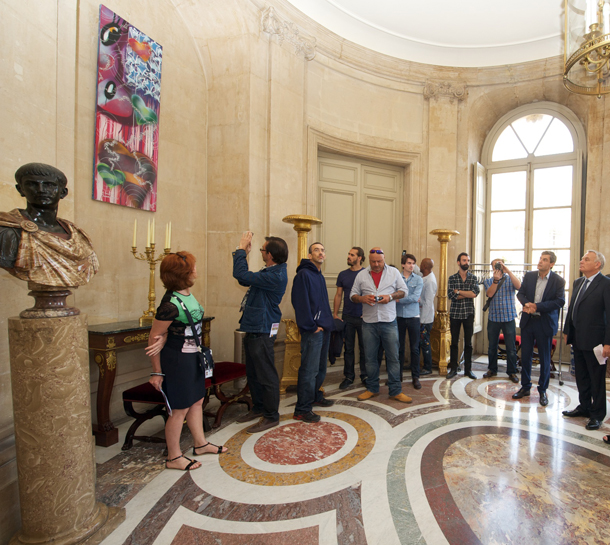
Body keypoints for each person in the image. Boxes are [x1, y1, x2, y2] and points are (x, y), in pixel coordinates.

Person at [147, 252, 227, 471]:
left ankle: (200, 444)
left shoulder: (187, 295)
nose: (195, 270)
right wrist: (157, 372)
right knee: (179, 408)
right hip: (177, 360)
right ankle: (173, 457)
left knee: (197, 401)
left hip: (193, 356)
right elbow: (154, 338)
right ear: (183, 273)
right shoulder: (169, 304)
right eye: (192, 268)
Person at [0, 162, 98, 287]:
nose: (41, 190)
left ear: (63, 192)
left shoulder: (78, 235)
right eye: (32, 184)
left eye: (49, 185)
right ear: (21, 189)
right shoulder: (7, 230)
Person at [232, 231, 288, 434]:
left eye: (262, 250)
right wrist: (243, 255)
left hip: (262, 329)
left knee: (266, 374)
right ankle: (258, 408)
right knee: (253, 372)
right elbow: (245, 281)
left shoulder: (276, 275)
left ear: (271, 254)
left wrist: (240, 249)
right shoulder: (270, 271)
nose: (261, 253)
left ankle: (271, 416)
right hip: (254, 326)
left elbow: (240, 275)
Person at [350, 247, 411, 403]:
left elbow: (404, 291)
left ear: (384, 259)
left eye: (379, 261)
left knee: (393, 358)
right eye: (373, 261)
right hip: (369, 322)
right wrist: (363, 299)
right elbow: (352, 295)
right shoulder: (361, 275)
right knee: (370, 358)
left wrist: (390, 297)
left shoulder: (393, 273)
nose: (376, 264)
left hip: (389, 321)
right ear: (368, 260)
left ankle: (396, 390)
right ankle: (372, 388)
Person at [562, 250, 610, 434]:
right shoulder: (578, 282)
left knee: (596, 379)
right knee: (581, 377)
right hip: (578, 339)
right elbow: (572, 307)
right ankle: (584, 406)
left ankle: (597, 414)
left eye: (586, 259)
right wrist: (568, 330)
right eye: (582, 258)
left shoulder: (606, 284)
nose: (581, 261)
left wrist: (608, 342)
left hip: (597, 342)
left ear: (597, 264)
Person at [512, 251, 565, 406]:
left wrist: (537, 306)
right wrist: (527, 304)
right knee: (526, 355)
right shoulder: (529, 276)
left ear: (551, 264)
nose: (540, 262)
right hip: (528, 322)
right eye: (540, 259)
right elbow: (520, 294)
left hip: (545, 323)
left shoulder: (558, 281)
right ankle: (525, 386)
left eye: (545, 260)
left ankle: (542, 390)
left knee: (544, 358)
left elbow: (560, 301)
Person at [291, 242, 335, 423]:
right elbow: (300, 304)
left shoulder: (319, 276)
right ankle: (302, 409)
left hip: (323, 328)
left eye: (323, 250)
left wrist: (327, 323)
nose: (321, 253)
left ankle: (315, 395)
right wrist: (311, 326)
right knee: (309, 370)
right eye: (316, 250)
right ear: (310, 255)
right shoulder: (303, 274)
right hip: (313, 331)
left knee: (320, 368)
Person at [482, 259, 521, 383]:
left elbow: (519, 286)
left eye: (500, 265)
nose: (498, 268)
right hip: (494, 317)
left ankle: (512, 371)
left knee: (511, 347)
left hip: (508, 317)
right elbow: (490, 294)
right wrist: (496, 280)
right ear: (492, 267)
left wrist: (507, 270)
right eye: (495, 265)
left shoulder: (510, 279)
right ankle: (492, 369)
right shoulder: (488, 281)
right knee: (492, 346)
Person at [333, 247, 367, 389]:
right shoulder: (343, 274)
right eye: (348, 254)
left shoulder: (366, 273)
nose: (349, 256)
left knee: (364, 348)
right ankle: (349, 376)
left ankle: (365, 375)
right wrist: (335, 314)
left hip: (363, 317)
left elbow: (370, 293)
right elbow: (339, 295)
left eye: (352, 255)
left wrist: (368, 312)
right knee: (348, 348)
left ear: (359, 258)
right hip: (347, 316)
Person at [447, 252, 480, 379]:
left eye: (468, 260)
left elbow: (475, 294)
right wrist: (467, 293)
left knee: (468, 343)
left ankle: (468, 369)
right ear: (458, 262)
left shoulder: (473, 278)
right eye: (464, 260)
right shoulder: (452, 278)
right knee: (454, 342)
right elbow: (451, 295)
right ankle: (454, 369)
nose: (467, 262)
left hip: (468, 313)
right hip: (455, 313)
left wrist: (459, 292)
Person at [396, 253, 424, 388]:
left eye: (413, 263)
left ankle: (415, 377)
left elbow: (415, 297)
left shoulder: (419, 279)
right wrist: (397, 298)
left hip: (413, 317)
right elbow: (410, 297)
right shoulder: (396, 278)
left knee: (414, 348)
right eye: (409, 263)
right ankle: (398, 375)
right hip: (399, 317)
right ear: (403, 264)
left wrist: (398, 299)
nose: (411, 265)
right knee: (399, 348)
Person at [419, 258, 437, 375]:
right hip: (422, 316)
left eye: (421, 264)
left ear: (425, 266)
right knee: (422, 342)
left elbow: (427, 302)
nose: (419, 266)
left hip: (425, 318)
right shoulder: (425, 277)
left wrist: (422, 320)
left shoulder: (430, 281)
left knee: (425, 342)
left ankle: (428, 367)